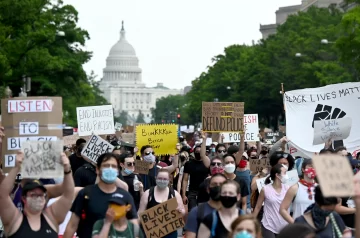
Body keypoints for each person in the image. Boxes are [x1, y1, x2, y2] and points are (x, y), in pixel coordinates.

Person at [0, 151, 74, 238]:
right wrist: (16, 167)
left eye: (41, 195)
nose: (38, 198)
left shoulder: (52, 218)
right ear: (24, 199)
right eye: (34, 195)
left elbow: (68, 194)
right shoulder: (14, 220)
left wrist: (67, 170)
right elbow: (2, 195)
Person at [64, 153, 138, 238]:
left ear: (117, 171)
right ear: (98, 170)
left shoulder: (126, 197)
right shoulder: (85, 193)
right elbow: (72, 225)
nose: (110, 169)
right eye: (106, 166)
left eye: (113, 166)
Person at [138, 168, 185, 238]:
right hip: (152, 234)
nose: (162, 181)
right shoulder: (148, 194)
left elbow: (183, 211)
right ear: (155, 178)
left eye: (165, 179)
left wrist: (180, 211)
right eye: (160, 178)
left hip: (170, 233)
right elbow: (140, 214)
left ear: (169, 180)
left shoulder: (175, 194)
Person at [184, 173, 227, 238]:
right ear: (208, 189)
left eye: (221, 185)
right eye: (214, 184)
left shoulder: (236, 213)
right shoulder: (196, 212)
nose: (218, 187)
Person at [253, 164, 290, 238]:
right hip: (268, 225)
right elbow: (258, 207)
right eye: (284, 173)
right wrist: (251, 221)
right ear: (277, 175)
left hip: (284, 225)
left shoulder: (288, 189)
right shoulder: (265, 189)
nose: (287, 175)